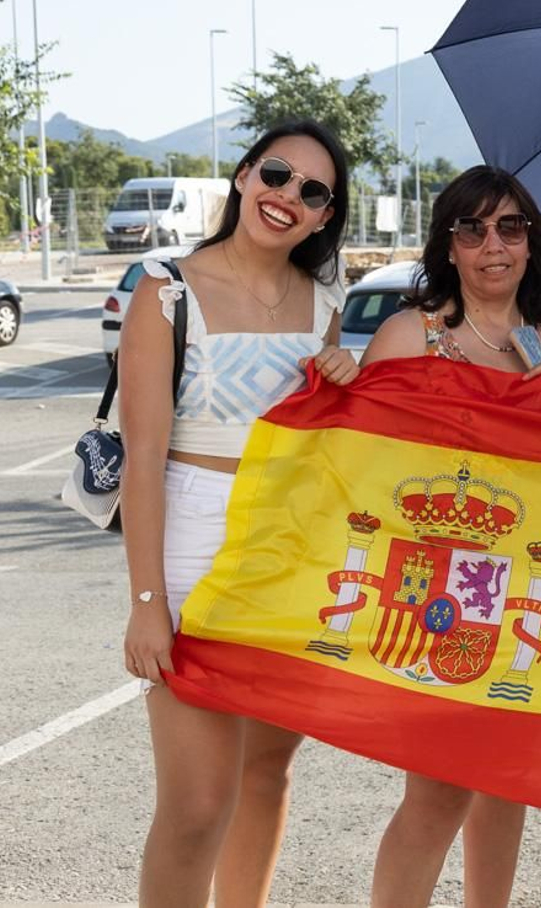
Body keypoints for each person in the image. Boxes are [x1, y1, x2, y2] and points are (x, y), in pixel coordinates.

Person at [120, 119, 357, 907]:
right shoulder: (165, 291)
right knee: (194, 806)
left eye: (311, 190)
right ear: (244, 175)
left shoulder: (328, 303)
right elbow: (143, 464)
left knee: (266, 775)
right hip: (190, 549)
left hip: (289, 558)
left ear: (325, 216)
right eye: (277, 173)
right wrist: (148, 603)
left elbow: (335, 449)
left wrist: (342, 375)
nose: (287, 195)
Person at [362, 165, 541, 908]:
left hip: (526, 583)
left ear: (532, 242)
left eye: (511, 227)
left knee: (504, 782)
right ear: (448, 245)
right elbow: (360, 463)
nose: (494, 243)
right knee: (438, 793)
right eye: (473, 227)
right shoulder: (409, 335)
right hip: (433, 591)